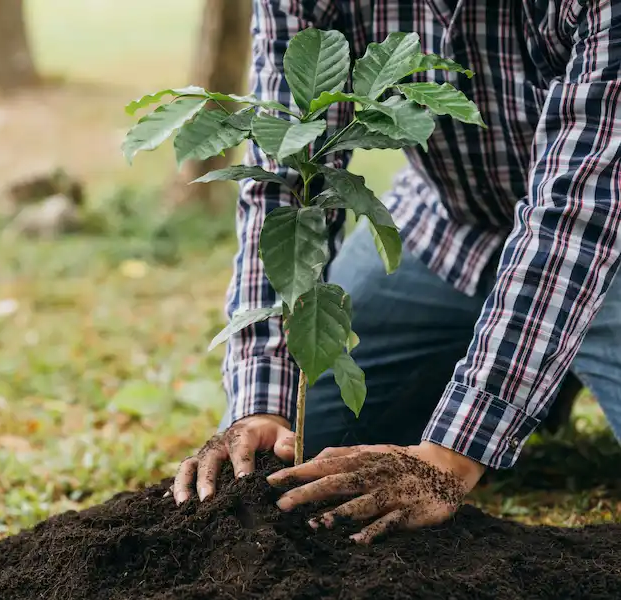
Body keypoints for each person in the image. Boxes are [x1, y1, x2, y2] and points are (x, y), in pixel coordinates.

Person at [172, 0, 621, 544]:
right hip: (447, 228)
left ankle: (546, 377)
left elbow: (579, 214)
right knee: (306, 447)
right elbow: (283, 173)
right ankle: (530, 379)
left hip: (604, 253)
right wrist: (262, 401)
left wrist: (449, 458)